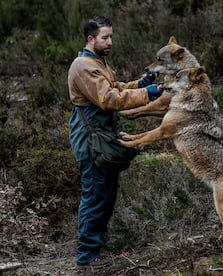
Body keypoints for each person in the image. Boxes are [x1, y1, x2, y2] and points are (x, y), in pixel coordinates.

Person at [67, 15, 163, 270]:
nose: (110, 41)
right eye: (104, 37)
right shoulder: (83, 66)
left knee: (106, 195)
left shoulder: (98, 62)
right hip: (91, 141)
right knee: (95, 195)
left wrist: (139, 84)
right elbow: (108, 98)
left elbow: (116, 86)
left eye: (111, 36)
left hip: (102, 138)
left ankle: (97, 248)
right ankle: (87, 257)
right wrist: (146, 94)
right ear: (91, 39)